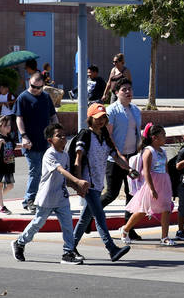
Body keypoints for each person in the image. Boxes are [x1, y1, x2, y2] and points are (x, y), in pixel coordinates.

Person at [12, 123, 90, 265]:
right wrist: (78, 181)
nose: (62, 138)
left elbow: (65, 179)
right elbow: (60, 170)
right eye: (58, 136)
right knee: (38, 223)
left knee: (67, 225)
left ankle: (68, 253)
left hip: (61, 196)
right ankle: (20, 242)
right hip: (47, 197)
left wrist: (77, 188)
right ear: (50, 140)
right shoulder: (49, 154)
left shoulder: (65, 155)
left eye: (63, 135)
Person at [70, 103, 133, 262]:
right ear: (90, 119)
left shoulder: (104, 136)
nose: (101, 121)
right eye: (97, 118)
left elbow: (116, 157)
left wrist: (129, 169)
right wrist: (78, 183)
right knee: (99, 216)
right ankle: (112, 249)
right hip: (88, 184)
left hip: (98, 184)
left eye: (104, 118)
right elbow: (78, 159)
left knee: (85, 219)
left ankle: (69, 248)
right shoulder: (85, 135)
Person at [101, 79, 144, 241]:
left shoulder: (136, 110)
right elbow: (108, 135)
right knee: (111, 193)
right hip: (116, 159)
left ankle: (128, 228)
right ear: (116, 92)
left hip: (133, 158)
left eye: (130, 89)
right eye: (124, 89)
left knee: (132, 193)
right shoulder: (112, 110)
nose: (128, 92)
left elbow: (137, 133)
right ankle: (89, 216)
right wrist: (117, 154)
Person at [119, 124, 176, 246]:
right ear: (155, 138)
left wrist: (168, 185)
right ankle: (125, 230)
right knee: (143, 210)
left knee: (166, 209)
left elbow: (165, 170)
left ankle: (164, 237)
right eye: (163, 135)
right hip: (152, 184)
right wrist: (152, 189)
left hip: (164, 183)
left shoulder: (163, 151)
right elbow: (146, 172)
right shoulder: (148, 151)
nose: (165, 137)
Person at [14, 73, 58, 213]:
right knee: (36, 170)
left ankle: (42, 199)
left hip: (45, 141)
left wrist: (57, 132)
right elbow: (18, 118)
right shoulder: (23, 98)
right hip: (30, 142)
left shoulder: (46, 97)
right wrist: (24, 136)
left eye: (39, 88)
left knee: (47, 171)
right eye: (33, 86)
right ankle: (29, 200)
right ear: (29, 83)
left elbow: (53, 116)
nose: (35, 90)